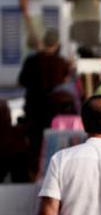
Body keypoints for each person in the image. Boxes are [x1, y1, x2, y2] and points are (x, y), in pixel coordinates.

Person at [17, 29, 70, 176]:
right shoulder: (61, 63)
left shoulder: (31, 60)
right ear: (57, 44)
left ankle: (34, 176)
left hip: (33, 111)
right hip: (53, 114)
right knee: (52, 149)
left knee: (34, 147)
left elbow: (21, 81)